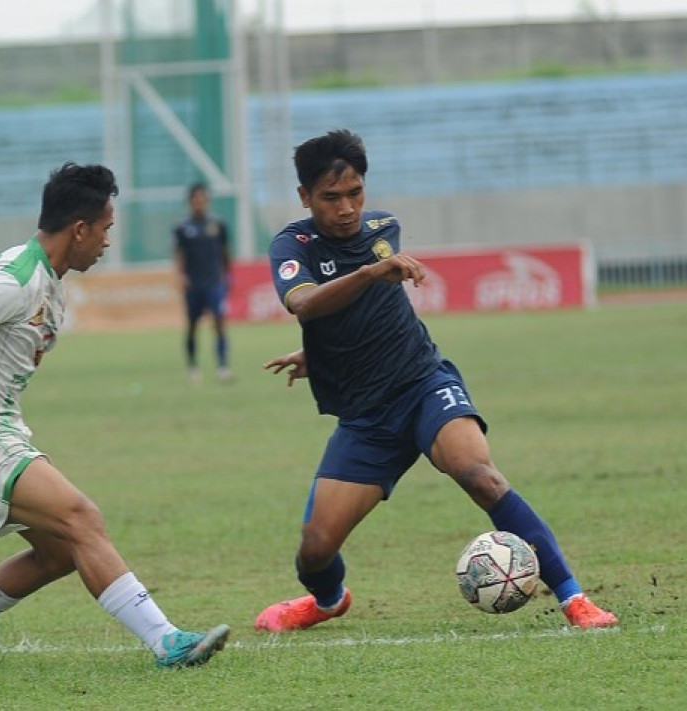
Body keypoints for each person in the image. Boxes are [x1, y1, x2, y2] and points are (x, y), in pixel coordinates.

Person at [0, 162, 231, 668]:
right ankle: (167, 642)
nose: (107, 242)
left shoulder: (53, 287)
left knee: (58, 553)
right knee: (83, 519)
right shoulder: (14, 279)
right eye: (105, 230)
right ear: (79, 229)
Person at [254, 129, 618, 633]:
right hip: (366, 419)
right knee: (314, 549)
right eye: (330, 197)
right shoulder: (292, 246)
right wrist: (332, 330)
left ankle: (576, 600)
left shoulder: (383, 227)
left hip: (423, 383)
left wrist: (339, 323)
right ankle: (327, 600)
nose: (346, 208)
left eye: (355, 192)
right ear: (304, 197)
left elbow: (374, 310)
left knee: (480, 475)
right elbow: (305, 304)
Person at [173, 182, 232, 384]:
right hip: (193, 284)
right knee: (192, 326)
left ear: (207, 201)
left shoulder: (218, 225)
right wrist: (181, 277)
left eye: (202, 199)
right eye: (195, 199)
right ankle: (193, 367)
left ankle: (223, 366)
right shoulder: (182, 228)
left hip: (214, 282)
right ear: (190, 202)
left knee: (219, 323)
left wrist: (228, 276)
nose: (199, 203)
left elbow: (225, 253)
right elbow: (179, 255)